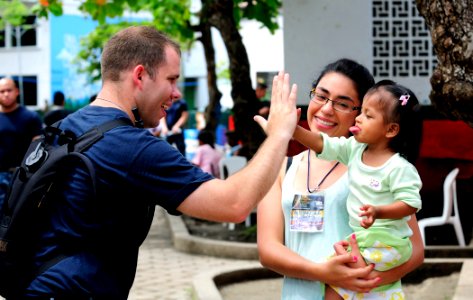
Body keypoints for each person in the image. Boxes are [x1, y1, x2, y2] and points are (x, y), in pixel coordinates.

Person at [21, 26, 299, 298]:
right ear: (140, 75)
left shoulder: (63, 129)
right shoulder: (132, 148)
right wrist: (279, 134)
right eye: (172, 79)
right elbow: (234, 204)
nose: (177, 93)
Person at [254, 59, 424, 300]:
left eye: (343, 104)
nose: (326, 109)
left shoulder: (375, 167)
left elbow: (415, 250)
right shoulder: (283, 167)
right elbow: (268, 250)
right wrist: (325, 273)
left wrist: (361, 281)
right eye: (321, 96)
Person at [293, 79, 423, 299]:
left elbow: (410, 203)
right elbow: (324, 144)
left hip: (386, 243)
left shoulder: (399, 167)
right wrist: (293, 130)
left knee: (337, 279)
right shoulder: (355, 148)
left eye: (368, 115)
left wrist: (378, 212)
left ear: (391, 130)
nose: (358, 119)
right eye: (360, 111)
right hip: (365, 240)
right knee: (345, 281)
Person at [0, 77, 42, 212]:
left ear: (17, 91)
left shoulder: (30, 117)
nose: (6, 94)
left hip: (21, 177)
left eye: (9, 90)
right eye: (2, 91)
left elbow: (38, 149)